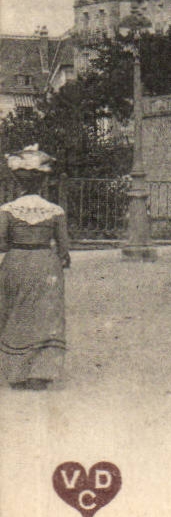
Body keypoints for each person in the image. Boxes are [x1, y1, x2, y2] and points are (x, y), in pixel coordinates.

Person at [0, 145, 71, 390]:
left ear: (19, 182)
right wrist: (61, 259)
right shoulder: (55, 211)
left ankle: (16, 373)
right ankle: (40, 373)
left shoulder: (7, 210)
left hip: (16, 262)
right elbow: (63, 248)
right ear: (42, 182)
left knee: (15, 313)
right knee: (46, 314)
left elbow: (0, 243)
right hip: (45, 264)